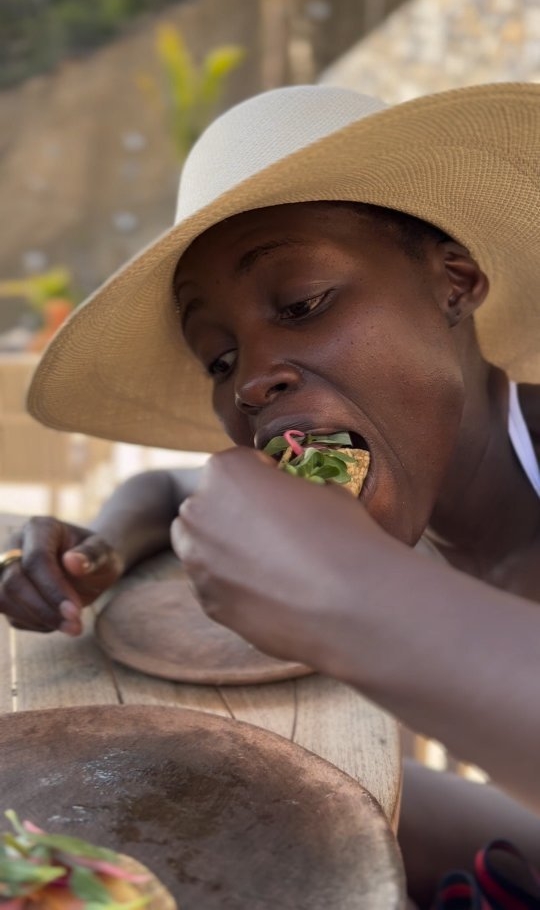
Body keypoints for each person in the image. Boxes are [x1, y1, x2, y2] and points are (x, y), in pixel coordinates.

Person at [1, 82, 540, 908]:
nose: (253, 381)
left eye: (302, 303)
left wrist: (355, 595)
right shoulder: (407, 469)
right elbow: (164, 485)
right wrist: (101, 548)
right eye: (219, 359)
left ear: (455, 283)